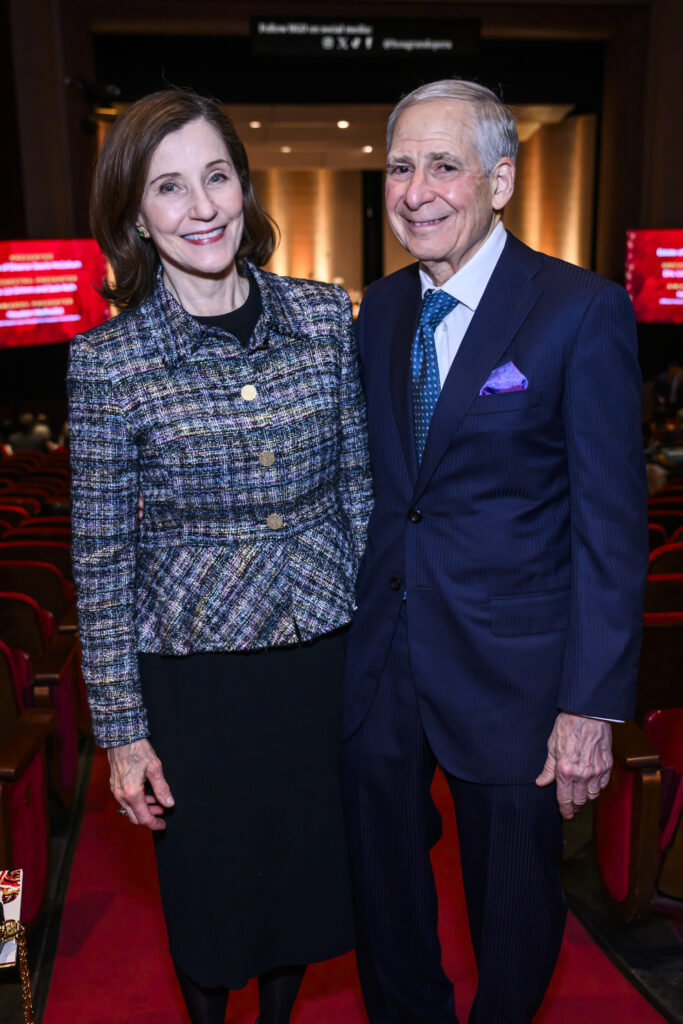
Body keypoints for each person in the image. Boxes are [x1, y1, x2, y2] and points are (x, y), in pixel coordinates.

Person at [341, 78, 649, 1024]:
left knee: (513, 911)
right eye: (399, 166)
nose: (416, 189)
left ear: (500, 181)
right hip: (381, 665)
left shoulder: (578, 310)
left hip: (517, 681)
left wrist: (589, 706)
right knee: (382, 898)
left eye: (444, 165)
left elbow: (610, 527)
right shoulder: (379, 312)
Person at [68, 89, 373, 1024]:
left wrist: (377, 655)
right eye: (169, 188)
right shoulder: (107, 363)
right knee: (209, 902)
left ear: (244, 186)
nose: (201, 207)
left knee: (301, 890)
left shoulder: (325, 320)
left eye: (216, 176)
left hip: (319, 660)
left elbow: (360, 495)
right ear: (135, 215)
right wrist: (122, 734)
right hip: (192, 683)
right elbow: (99, 561)